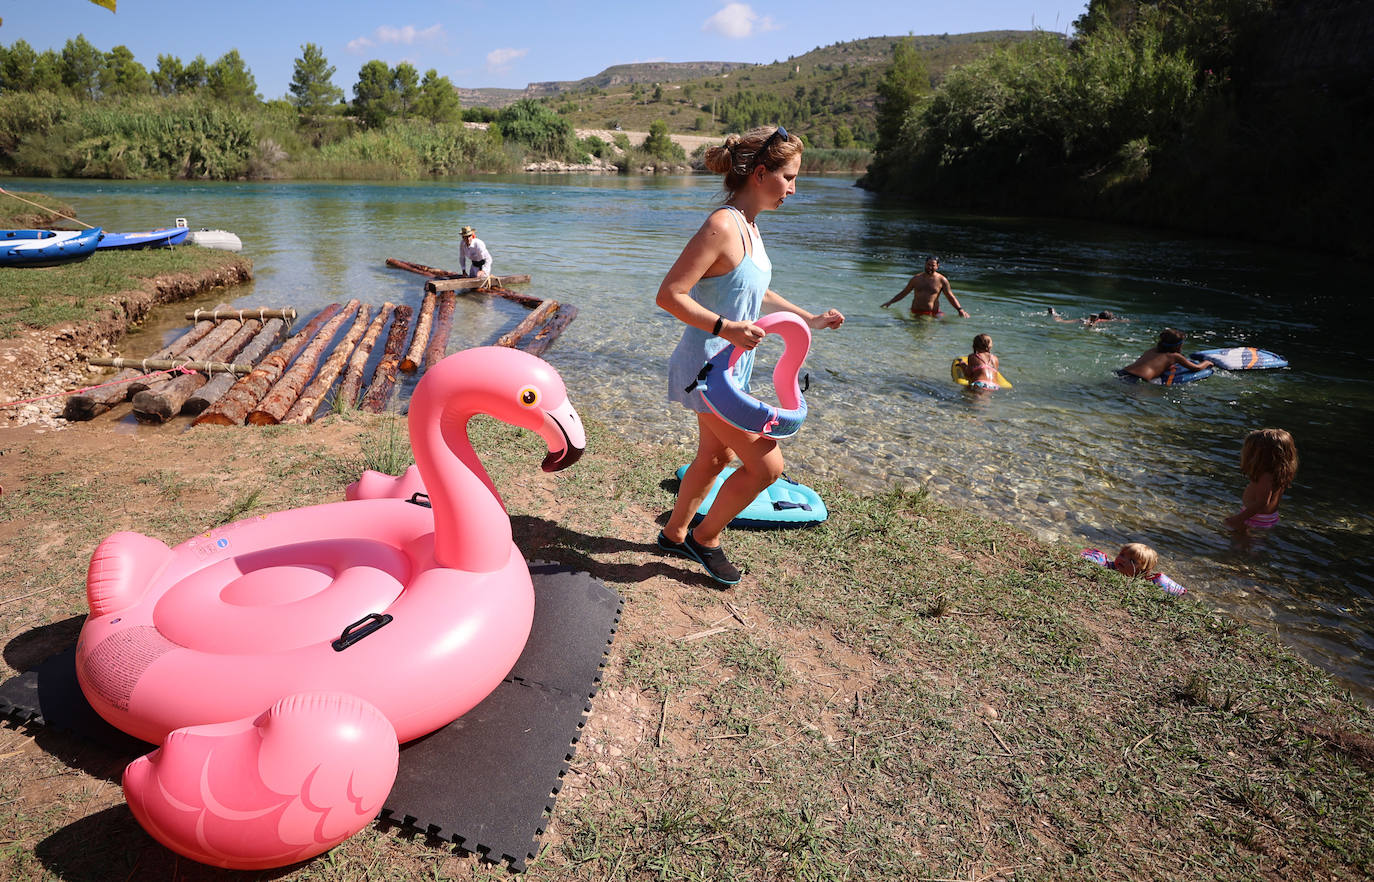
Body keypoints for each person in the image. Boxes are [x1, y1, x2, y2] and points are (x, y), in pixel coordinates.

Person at [655, 124, 845, 586]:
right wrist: (727, 328)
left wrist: (809, 319)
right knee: (767, 466)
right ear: (761, 172)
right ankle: (706, 539)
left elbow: (755, 291)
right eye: (789, 177)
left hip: (730, 371)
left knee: (714, 459)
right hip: (706, 371)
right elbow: (670, 294)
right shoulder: (722, 225)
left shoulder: (750, 228)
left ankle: (675, 533)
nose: (794, 189)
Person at [1223, 428, 1298, 529]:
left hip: (1255, 518)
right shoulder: (1279, 473)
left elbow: (1261, 503)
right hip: (1267, 517)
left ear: (1259, 455)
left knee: (1239, 542)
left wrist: (1238, 519)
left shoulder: (1265, 477)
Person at [1080, 543, 1186, 595]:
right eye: (1122, 555)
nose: (1123, 560)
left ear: (1144, 570)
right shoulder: (1107, 566)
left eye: (1132, 561)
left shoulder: (1145, 583)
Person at [881, 256, 968, 317]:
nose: (930, 267)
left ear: (937, 266)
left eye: (932, 265)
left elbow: (950, 296)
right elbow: (904, 292)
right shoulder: (916, 278)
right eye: (928, 264)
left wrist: (960, 309)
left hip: (931, 313)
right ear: (925, 264)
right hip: (915, 312)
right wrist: (890, 302)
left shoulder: (942, 280)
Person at [1117, 328, 1214, 382]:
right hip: (1137, 380)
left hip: (1122, 372)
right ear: (1178, 346)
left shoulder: (1152, 350)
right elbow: (1196, 368)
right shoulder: (1175, 356)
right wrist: (1207, 362)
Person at [1049, 308, 1123, 326]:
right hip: (1092, 321)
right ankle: (1092, 322)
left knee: (1061, 321)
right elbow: (1121, 321)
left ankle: (1054, 313)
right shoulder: (1103, 320)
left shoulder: (1100, 318)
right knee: (1091, 325)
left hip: (1081, 320)